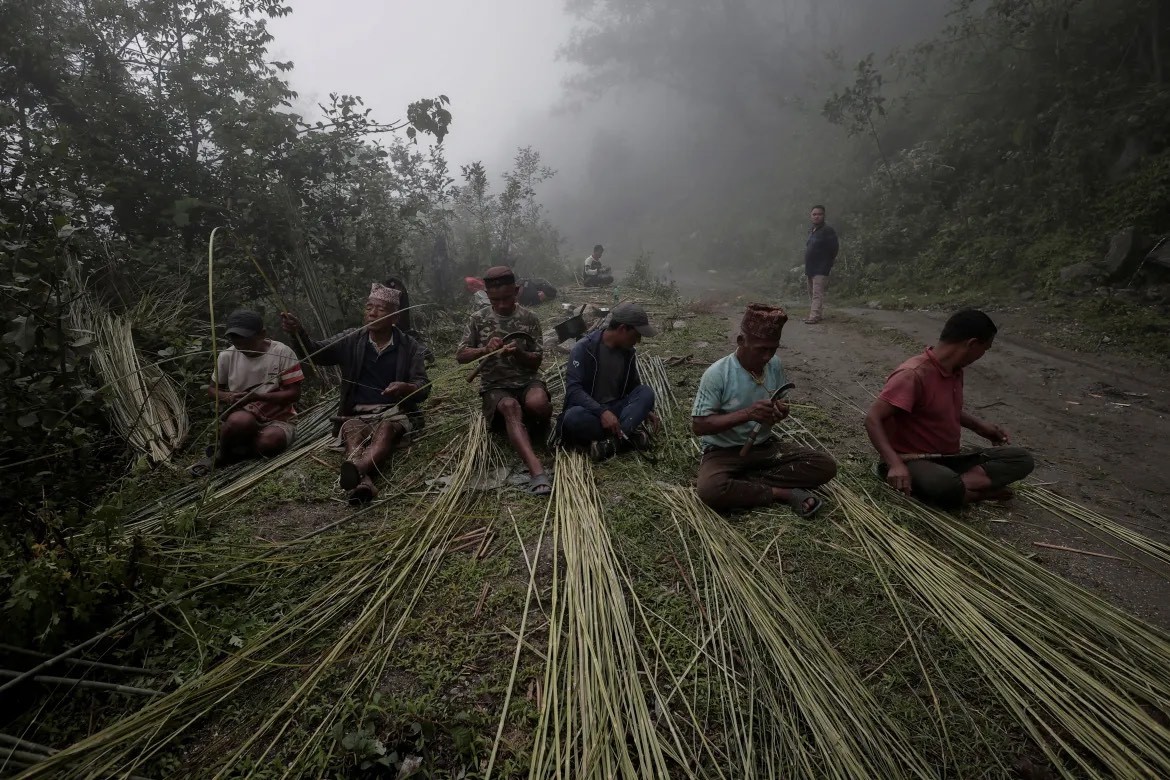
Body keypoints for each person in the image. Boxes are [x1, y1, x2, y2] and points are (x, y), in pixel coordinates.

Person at [865, 309, 1034, 508]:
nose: (982, 356)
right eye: (985, 349)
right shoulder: (913, 374)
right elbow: (872, 419)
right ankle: (971, 493)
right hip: (912, 460)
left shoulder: (954, 371)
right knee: (942, 484)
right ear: (971, 344)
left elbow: (941, 408)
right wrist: (894, 464)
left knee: (1021, 459)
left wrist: (980, 427)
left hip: (949, 458)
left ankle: (961, 490)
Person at [281, 283, 431, 504]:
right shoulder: (352, 339)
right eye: (369, 307)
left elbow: (423, 386)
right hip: (356, 414)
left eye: (380, 309)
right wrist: (298, 332)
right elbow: (316, 352)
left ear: (395, 318)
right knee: (352, 432)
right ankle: (363, 482)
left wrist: (406, 387)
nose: (371, 313)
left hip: (393, 412)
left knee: (386, 430)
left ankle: (357, 469)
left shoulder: (409, 346)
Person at [692, 303, 837, 515]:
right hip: (724, 452)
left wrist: (779, 413)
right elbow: (699, 426)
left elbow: (780, 402)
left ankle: (744, 483)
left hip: (763, 446)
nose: (767, 356)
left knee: (825, 466)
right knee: (710, 490)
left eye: (773, 348)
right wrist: (747, 414)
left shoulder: (774, 364)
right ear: (741, 341)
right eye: (761, 349)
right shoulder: (717, 374)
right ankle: (781, 492)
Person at [457, 266, 553, 496]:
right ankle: (536, 470)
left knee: (538, 404)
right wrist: (483, 350)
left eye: (507, 298)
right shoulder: (478, 319)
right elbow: (461, 355)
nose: (501, 304)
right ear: (487, 295)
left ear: (517, 291)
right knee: (510, 407)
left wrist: (519, 353)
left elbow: (536, 362)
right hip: (496, 386)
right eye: (495, 299)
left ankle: (538, 422)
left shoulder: (530, 319)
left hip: (526, 380)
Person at [189, 310, 304, 476]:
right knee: (240, 421)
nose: (241, 347)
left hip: (279, 419)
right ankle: (221, 455)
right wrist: (227, 396)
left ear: (262, 334)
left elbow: (294, 394)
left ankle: (239, 449)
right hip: (244, 416)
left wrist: (257, 396)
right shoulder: (227, 356)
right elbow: (212, 390)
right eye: (236, 342)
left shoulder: (282, 353)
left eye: (247, 342)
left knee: (270, 442)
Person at [559, 302, 661, 461]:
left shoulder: (628, 353)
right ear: (622, 329)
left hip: (617, 409)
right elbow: (574, 391)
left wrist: (643, 409)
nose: (638, 341)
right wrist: (602, 412)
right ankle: (628, 438)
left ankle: (611, 443)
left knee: (646, 393)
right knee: (572, 417)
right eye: (636, 335)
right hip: (591, 412)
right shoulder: (584, 348)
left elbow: (633, 386)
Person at [384, 275, 434, 364]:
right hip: (392, 327)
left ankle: (422, 354)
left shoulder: (399, 291)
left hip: (401, 327)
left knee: (404, 332)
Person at [804, 205, 839, 324]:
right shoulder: (811, 230)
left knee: (817, 293)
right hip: (810, 267)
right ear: (811, 216)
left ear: (824, 216)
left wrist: (828, 263)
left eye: (819, 214)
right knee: (811, 293)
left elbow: (834, 248)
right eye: (814, 214)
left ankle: (814, 316)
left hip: (821, 267)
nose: (816, 216)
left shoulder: (828, 230)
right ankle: (817, 314)